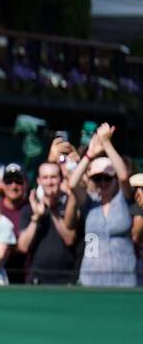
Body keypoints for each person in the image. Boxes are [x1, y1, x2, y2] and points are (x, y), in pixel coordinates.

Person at [68, 123, 136, 287]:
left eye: (107, 178)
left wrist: (106, 144)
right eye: (97, 178)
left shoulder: (123, 199)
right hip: (91, 280)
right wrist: (89, 155)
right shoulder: (89, 203)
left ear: (114, 180)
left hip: (124, 279)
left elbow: (124, 176)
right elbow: (72, 183)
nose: (103, 183)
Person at [17, 162, 78, 285]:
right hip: (37, 280)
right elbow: (23, 247)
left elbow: (70, 239)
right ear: (39, 181)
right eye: (45, 178)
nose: (49, 182)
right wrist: (36, 218)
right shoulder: (30, 208)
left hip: (66, 279)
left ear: (61, 179)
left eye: (53, 177)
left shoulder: (70, 204)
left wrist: (52, 209)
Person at [0, 163, 29, 283]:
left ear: (26, 183)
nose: (14, 186)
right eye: (9, 181)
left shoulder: (33, 208)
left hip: (26, 277)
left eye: (18, 181)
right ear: (2, 184)